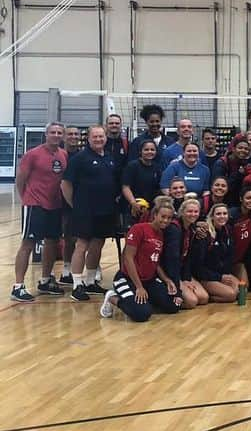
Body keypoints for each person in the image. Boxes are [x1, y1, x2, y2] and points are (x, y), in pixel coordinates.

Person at [99, 199, 182, 322]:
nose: (166, 220)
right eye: (163, 216)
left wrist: (166, 280)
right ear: (155, 215)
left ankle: (141, 302)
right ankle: (113, 298)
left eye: (169, 218)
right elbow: (128, 258)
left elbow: (155, 261)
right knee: (142, 314)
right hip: (128, 278)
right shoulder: (139, 229)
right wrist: (139, 286)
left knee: (174, 306)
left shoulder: (161, 235)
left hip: (148, 280)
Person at [11, 122, 68, 302]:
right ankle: (18, 286)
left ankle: (45, 281)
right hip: (35, 205)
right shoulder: (33, 154)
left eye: (59, 132)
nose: (56, 135)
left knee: (52, 242)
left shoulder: (63, 154)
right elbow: (20, 180)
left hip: (55, 205)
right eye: (53, 132)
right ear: (46, 134)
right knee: (28, 243)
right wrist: (26, 199)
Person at [62, 125, 117, 302]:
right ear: (89, 138)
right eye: (95, 137)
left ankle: (91, 281)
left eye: (101, 136)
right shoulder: (80, 158)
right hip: (84, 210)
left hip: (105, 210)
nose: (99, 139)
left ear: (105, 138)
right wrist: (75, 206)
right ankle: (77, 285)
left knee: (97, 245)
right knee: (82, 245)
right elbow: (65, 185)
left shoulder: (109, 157)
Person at [188, 203, 241, 303]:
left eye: (224, 213)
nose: (222, 216)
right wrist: (219, 278)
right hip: (205, 276)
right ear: (212, 216)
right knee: (231, 295)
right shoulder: (205, 234)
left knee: (241, 290)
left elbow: (228, 257)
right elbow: (198, 266)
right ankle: (207, 295)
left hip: (221, 274)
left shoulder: (227, 230)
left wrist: (225, 275)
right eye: (218, 214)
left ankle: (218, 291)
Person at [167, 198, 210, 309]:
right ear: (182, 212)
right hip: (170, 272)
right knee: (192, 302)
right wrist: (179, 282)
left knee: (203, 298)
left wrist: (186, 278)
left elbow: (188, 257)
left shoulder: (191, 229)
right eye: (189, 211)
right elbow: (171, 260)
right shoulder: (174, 228)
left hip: (182, 271)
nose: (193, 214)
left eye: (196, 212)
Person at [128, 104, 174, 171]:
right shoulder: (137, 141)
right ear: (146, 122)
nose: (155, 124)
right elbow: (131, 164)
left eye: (157, 121)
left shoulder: (169, 141)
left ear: (161, 121)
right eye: (152, 122)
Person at [229, 187, 251, 286]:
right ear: (241, 199)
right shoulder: (231, 214)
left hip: (238, 261)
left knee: (244, 289)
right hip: (224, 261)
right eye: (248, 198)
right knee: (234, 292)